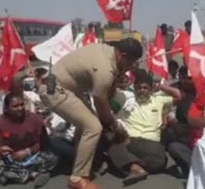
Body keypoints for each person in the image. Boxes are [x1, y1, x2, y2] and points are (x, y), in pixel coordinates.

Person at [39, 38, 143, 189]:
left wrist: (120, 72)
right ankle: (77, 178)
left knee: (86, 124)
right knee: (93, 127)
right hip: (56, 90)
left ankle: (79, 163)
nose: (131, 66)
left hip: (67, 89)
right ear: (123, 55)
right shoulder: (105, 69)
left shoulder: (107, 51)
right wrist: (115, 126)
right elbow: (102, 103)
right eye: (130, 62)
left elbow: (108, 92)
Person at [107, 70, 181, 186]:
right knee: (108, 135)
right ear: (134, 89)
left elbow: (178, 95)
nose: (142, 90)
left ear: (151, 89)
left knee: (113, 145)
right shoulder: (127, 99)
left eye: (145, 88)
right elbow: (109, 93)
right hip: (130, 140)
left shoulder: (159, 99)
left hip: (151, 148)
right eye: (139, 88)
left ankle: (126, 163)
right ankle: (135, 167)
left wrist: (161, 86)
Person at [0, 93, 57, 188]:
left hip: (33, 156)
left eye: (22, 104)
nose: (20, 108)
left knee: (53, 156)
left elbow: (44, 142)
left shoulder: (34, 118)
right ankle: (32, 174)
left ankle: (10, 174)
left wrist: (27, 151)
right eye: (15, 106)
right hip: (11, 158)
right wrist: (1, 150)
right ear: (6, 108)